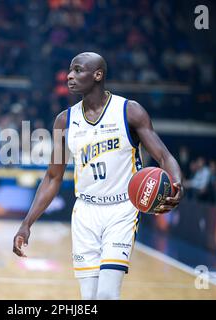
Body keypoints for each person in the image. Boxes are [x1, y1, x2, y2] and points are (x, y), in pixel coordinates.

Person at [13, 52, 183, 300]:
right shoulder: (64, 121)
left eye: (78, 70)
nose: (70, 76)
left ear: (98, 75)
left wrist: (177, 185)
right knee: (89, 298)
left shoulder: (129, 111)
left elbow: (164, 157)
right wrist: (27, 223)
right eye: (70, 70)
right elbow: (52, 178)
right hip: (85, 213)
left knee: (106, 294)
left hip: (122, 210)